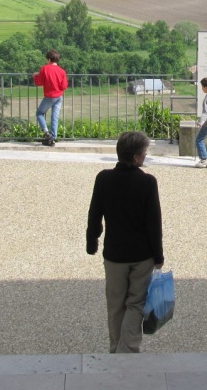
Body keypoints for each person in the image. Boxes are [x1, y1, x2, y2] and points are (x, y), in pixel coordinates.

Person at [86, 131, 164, 354]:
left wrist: (92, 241)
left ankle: (115, 348)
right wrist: (158, 256)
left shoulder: (103, 179)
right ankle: (127, 350)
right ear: (138, 157)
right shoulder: (147, 182)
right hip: (141, 255)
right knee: (135, 303)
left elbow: (94, 214)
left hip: (114, 254)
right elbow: (153, 223)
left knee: (115, 304)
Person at [33, 49, 68, 146]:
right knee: (55, 117)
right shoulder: (62, 71)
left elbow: (39, 82)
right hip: (59, 96)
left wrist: (35, 76)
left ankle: (46, 133)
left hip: (49, 96)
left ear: (49, 59)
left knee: (39, 113)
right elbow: (64, 86)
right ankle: (53, 137)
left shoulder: (45, 68)